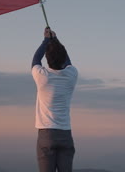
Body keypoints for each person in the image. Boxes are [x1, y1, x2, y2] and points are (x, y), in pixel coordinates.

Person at [31, 27, 78, 172]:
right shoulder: (72, 75)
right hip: (65, 133)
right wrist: (55, 39)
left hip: (47, 134)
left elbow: (35, 60)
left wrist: (46, 40)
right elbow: (67, 61)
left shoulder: (42, 77)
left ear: (48, 60)